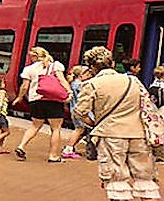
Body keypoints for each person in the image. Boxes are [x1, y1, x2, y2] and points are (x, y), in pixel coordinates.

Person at [75, 46, 160, 201]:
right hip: (138, 135)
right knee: (145, 178)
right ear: (112, 63)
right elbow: (147, 106)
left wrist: (95, 123)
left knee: (117, 180)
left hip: (110, 135)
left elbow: (79, 112)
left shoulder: (92, 84)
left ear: (92, 67)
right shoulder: (133, 81)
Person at [12, 46, 72, 162]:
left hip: (36, 100)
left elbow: (24, 86)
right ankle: (53, 156)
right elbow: (62, 80)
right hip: (53, 100)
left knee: (35, 126)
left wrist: (19, 98)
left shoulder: (28, 69)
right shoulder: (55, 65)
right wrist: (69, 92)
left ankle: (22, 146)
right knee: (56, 129)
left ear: (34, 57)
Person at [63, 65, 92, 159]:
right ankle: (68, 149)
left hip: (74, 109)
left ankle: (69, 147)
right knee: (79, 129)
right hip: (80, 111)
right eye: (87, 73)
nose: (90, 75)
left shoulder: (73, 84)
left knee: (80, 130)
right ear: (81, 75)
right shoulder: (79, 85)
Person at [148, 66, 164, 161]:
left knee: (153, 132)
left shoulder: (152, 86)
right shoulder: (162, 87)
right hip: (161, 111)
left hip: (153, 112)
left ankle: (154, 153)